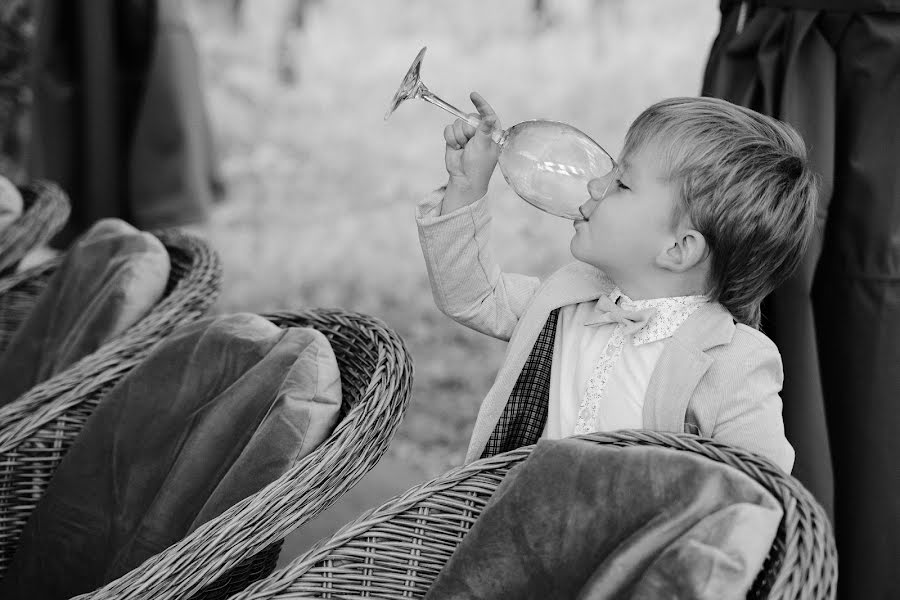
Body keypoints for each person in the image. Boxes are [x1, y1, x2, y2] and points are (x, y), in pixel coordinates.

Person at [416, 93, 818, 472]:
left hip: (638, 545)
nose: (594, 185)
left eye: (622, 183)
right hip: (533, 527)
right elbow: (473, 296)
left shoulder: (732, 361)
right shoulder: (570, 297)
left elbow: (760, 491)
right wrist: (466, 187)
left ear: (678, 249)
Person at [702, 2, 899, 596]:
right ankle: (794, 567)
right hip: (774, 43)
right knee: (763, 301)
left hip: (883, 61)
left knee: (875, 317)